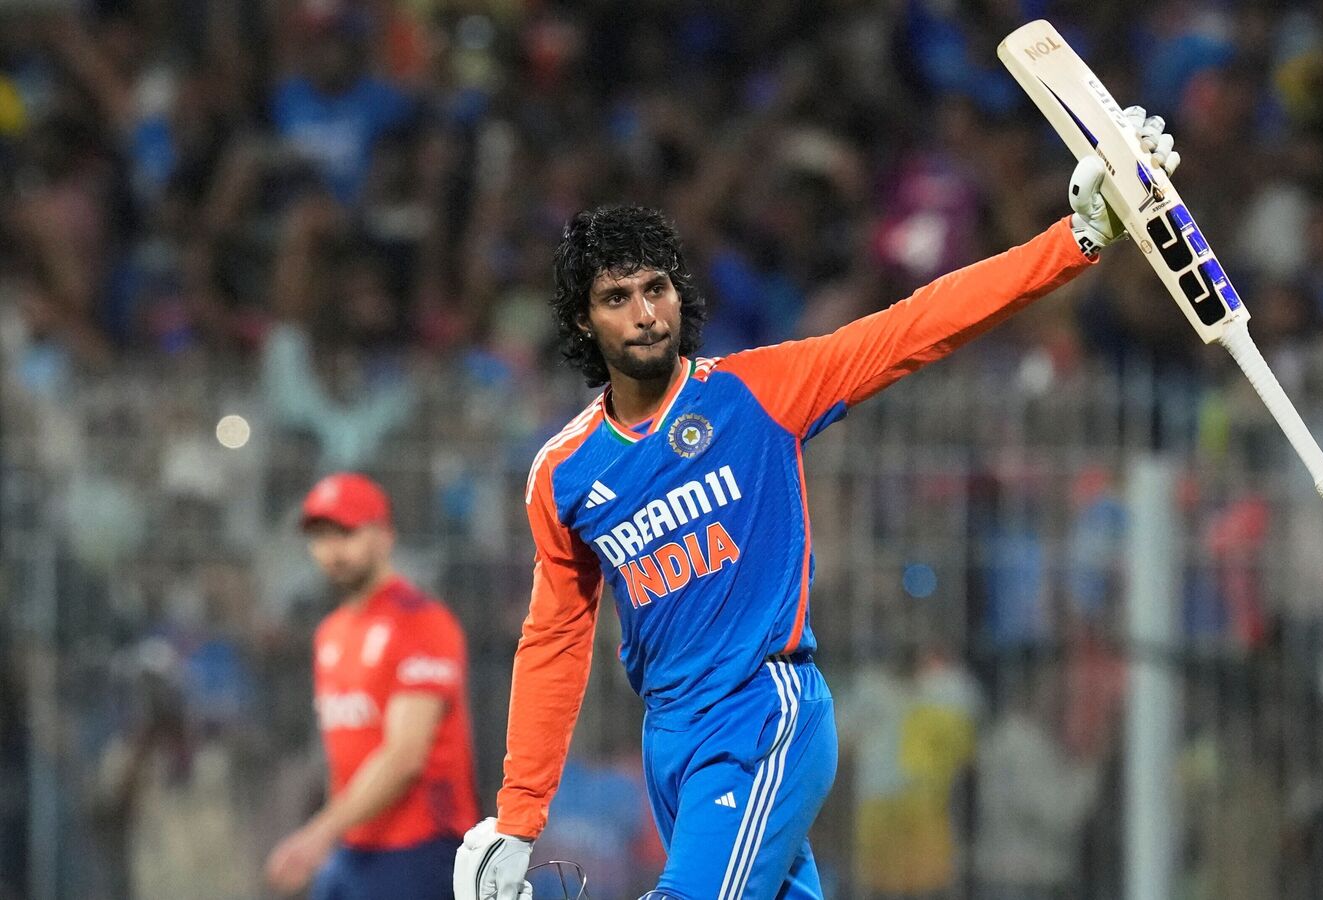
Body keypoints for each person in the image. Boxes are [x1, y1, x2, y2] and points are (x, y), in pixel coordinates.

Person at [454, 110, 1180, 900]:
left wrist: (1076, 239)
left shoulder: (756, 394)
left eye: (656, 287)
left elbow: (919, 325)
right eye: (617, 297)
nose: (644, 312)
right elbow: (555, 640)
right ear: (582, 322)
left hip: (764, 713)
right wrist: (518, 820)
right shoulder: (562, 473)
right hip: (672, 740)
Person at [267, 473, 478, 899]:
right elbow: (344, 755)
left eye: (346, 532)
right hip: (352, 849)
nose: (333, 549)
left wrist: (317, 834)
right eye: (321, 536)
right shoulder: (331, 633)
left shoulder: (421, 622)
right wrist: (331, 837)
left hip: (421, 848)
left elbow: (405, 757)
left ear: (384, 536)